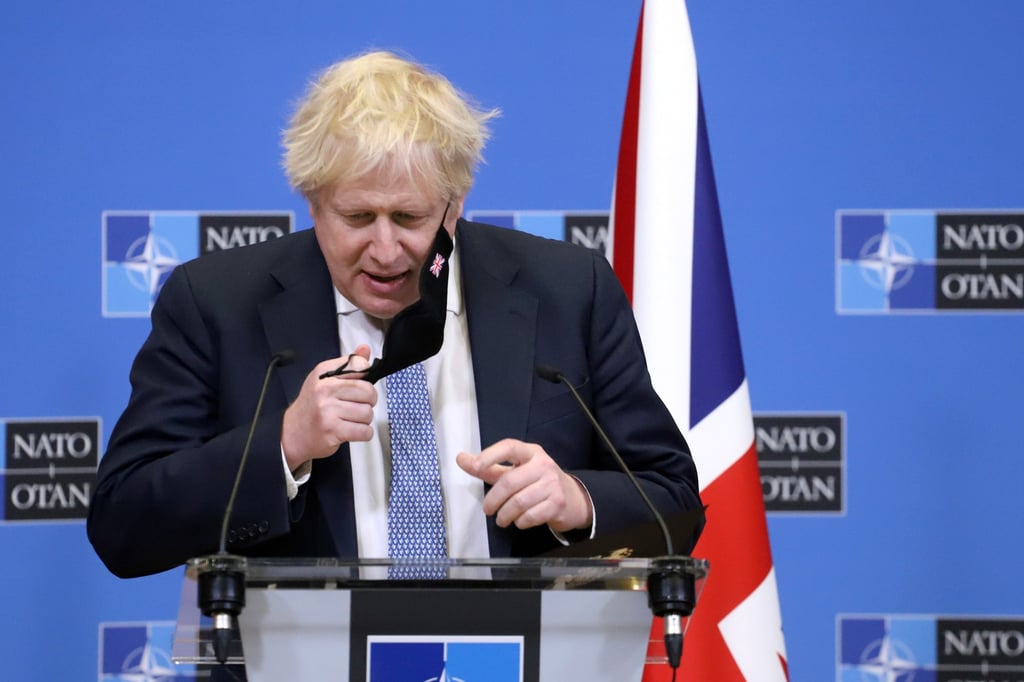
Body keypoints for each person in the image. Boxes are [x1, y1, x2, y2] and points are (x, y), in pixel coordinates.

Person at [87, 50, 702, 580]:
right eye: (356, 218)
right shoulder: (216, 304)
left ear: (454, 204)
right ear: (313, 201)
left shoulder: (569, 290)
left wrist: (576, 499)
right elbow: (122, 526)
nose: (385, 251)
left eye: (409, 219)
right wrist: (283, 443)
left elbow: (675, 504)